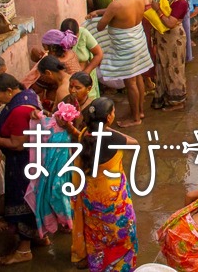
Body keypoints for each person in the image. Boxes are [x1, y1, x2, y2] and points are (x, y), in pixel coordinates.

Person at [74, 97, 140, 270]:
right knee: (121, 233)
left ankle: (100, 265)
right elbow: (134, 143)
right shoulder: (111, 136)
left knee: (96, 234)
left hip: (90, 194)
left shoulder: (84, 134)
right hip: (112, 195)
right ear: (109, 117)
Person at [95, 0, 154, 127]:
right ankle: (140, 110)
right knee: (139, 76)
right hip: (138, 39)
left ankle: (135, 118)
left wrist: (100, 15)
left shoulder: (116, 4)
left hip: (126, 46)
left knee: (131, 83)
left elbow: (101, 26)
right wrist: (100, 12)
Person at [0, 74, 40, 265]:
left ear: (9, 91)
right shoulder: (28, 95)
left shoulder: (20, 110)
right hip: (32, 160)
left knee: (24, 201)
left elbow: (17, 143)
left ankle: (24, 249)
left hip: (22, 163)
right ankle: (39, 236)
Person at [149, 0, 189, 111]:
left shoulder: (181, 2)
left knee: (174, 67)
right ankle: (166, 96)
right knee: (162, 66)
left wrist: (158, 10)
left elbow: (170, 23)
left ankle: (177, 101)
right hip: (163, 39)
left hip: (174, 38)